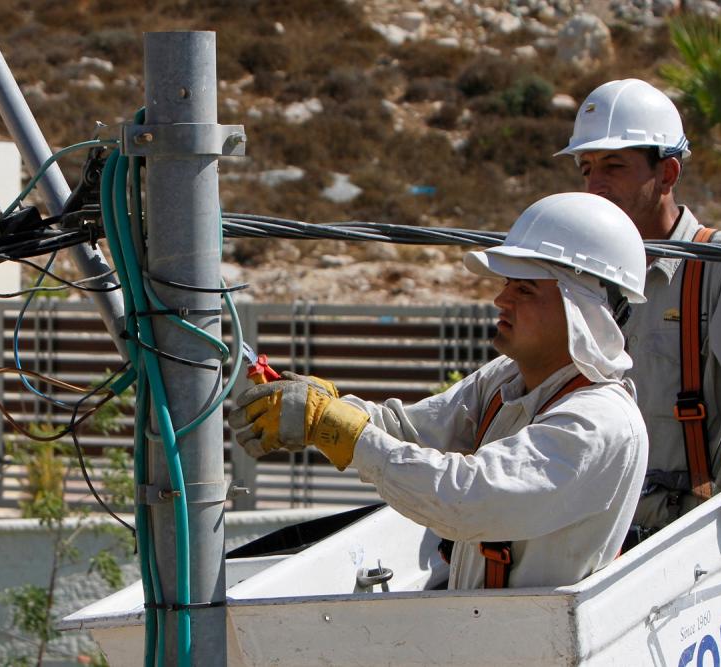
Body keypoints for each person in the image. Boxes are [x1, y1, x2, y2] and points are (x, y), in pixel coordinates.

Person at [229, 192, 649, 589]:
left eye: (524, 288)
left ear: (583, 312)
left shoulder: (600, 423)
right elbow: (408, 430)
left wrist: (339, 427)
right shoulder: (507, 379)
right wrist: (328, 410)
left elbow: (466, 499)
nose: (501, 299)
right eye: (507, 283)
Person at [555, 78, 721, 539]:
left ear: (668, 173)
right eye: (586, 168)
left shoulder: (720, 263)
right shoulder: (582, 277)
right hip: (595, 531)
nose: (594, 185)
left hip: (689, 538)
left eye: (614, 166)